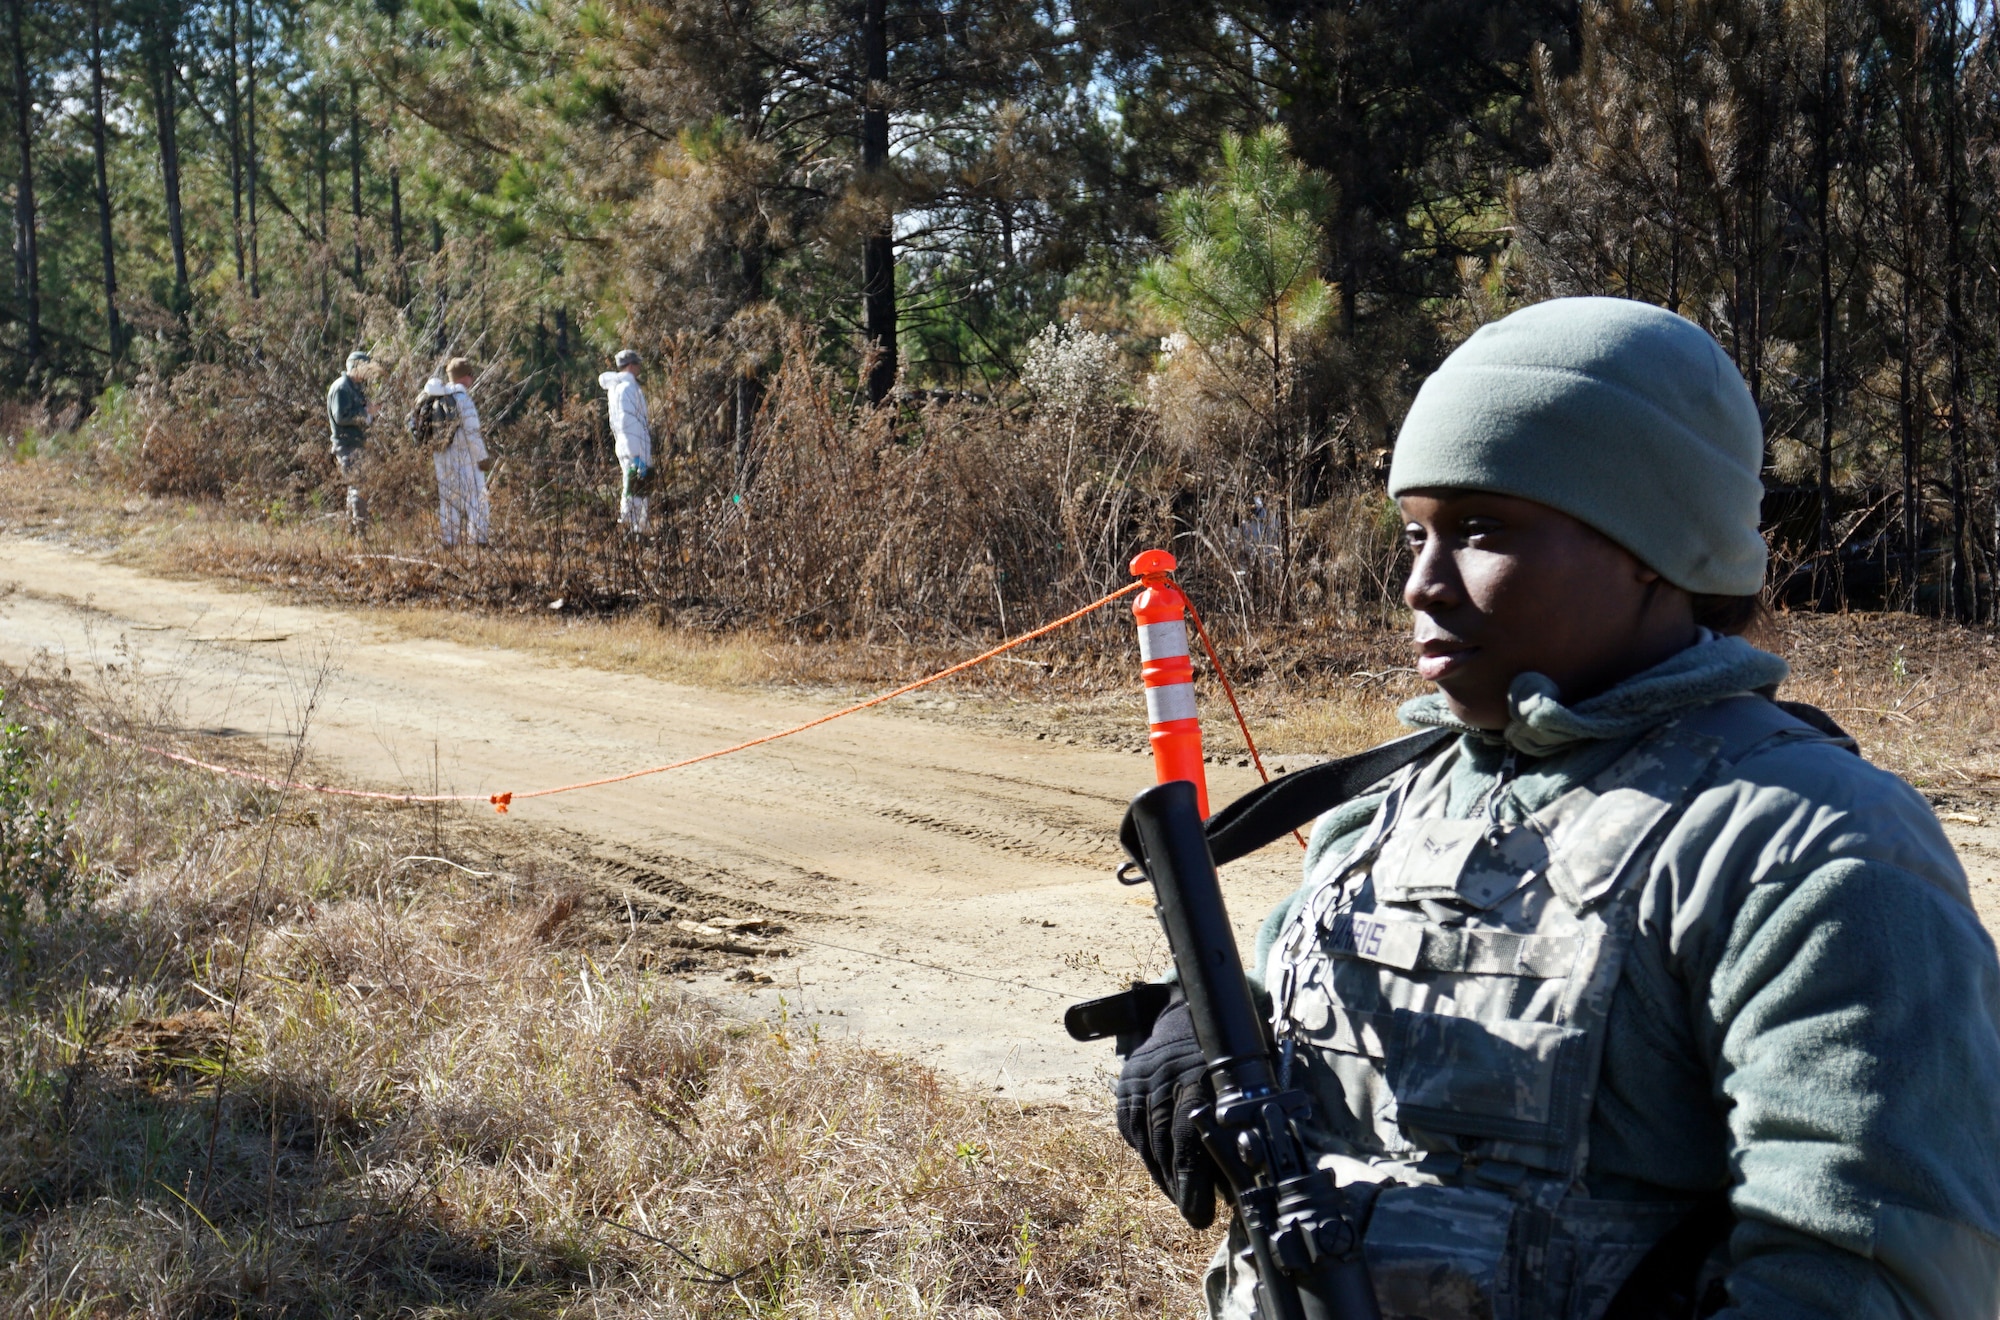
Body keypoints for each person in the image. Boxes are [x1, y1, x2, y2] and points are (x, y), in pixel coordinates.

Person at [1115, 297, 2000, 1320]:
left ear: (1653, 547)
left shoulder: (1802, 845)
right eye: (1415, 532)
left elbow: (1870, 1279)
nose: (1420, 583)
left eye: (1482, 530)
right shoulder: (1392, 807)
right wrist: (1211, 1027)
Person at [423, 356, 492, 548]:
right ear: (466, 377)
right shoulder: (462, 399)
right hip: (465, 458)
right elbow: (472, 432)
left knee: (448, 501)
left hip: (441, 457)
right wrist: (482, 458)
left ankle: (449, 541)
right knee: (477, 498)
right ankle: (478, 540)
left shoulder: (436, 398)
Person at [599, 348, 653, 535]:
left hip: (628, 445)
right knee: (636, 489)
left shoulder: (617, 388)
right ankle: (634, 529)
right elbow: (627, 421)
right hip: (634, 447)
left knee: (631, 487)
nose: (639, 368)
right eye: (637, 364)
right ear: (631, 365)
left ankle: (634, 527)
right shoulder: (627, 388)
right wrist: (636, 452)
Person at [327, 349, 377, 533]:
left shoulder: (354, 388)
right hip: (347, 446)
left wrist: (369, 411)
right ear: (356, 367)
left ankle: (352, 531)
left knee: (355, 489)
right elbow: (340, 417)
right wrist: (366, 413)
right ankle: (361, 535)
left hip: (355, 445)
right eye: (366, 368)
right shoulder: (342, 388)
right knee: (358, 488)